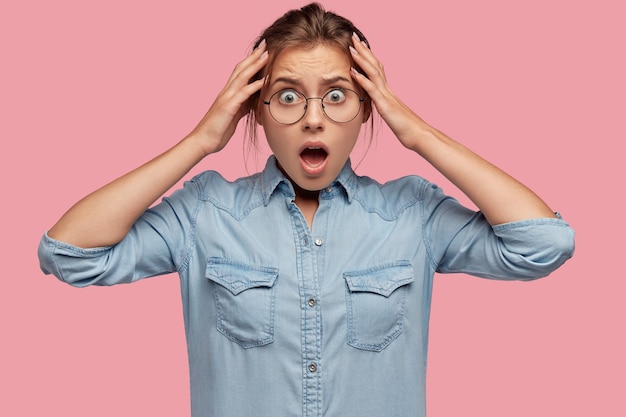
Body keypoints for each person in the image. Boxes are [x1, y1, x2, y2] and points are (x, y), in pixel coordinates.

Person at [38, 3, 575, 416]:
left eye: (337, 95)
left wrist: (415, 132)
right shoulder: (205, 213)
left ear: (367, 110)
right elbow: (69, 253)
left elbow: (543, 244)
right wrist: (201, 140)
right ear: (257, 110)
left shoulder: (413, 215)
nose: (313, 119)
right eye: (289, 96)